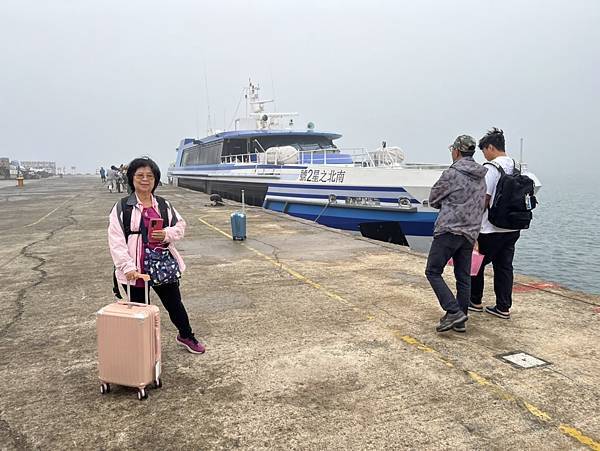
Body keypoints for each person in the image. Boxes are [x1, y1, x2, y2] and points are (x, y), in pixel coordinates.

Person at [108, 157, 205, 354]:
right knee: (140, 311)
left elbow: (180, 226)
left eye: (150, 176)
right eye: (140, 175)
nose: (145, 179)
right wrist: (127, 267)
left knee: (174, 304)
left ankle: (186, 335)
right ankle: (143, 348)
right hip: (135, 270)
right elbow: (116, 240)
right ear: (131, 178)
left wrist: (167, 234)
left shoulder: (163, 205)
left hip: (162, 266)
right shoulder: (122, 208)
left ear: (155, 179)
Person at [425, 135, 487, 333]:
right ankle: (460, 320)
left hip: (449, 230)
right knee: (463, 277)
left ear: (457, 151)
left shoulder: (452, 173)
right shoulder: (481, 175)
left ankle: (453, 311)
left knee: (433, 271)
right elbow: (482, 205)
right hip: (470, 232)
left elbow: (433, 199)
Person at [470, 128, 521, 319]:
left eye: (484, 150)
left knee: (477, 263)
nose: (484, 154)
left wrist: (472, 222)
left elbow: (484, 199)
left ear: (490, 147)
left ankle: (474, 300)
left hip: (490, 228)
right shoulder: (516, 167)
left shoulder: (492, 168)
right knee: (505, 266)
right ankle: (503, 307)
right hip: (512, 226)